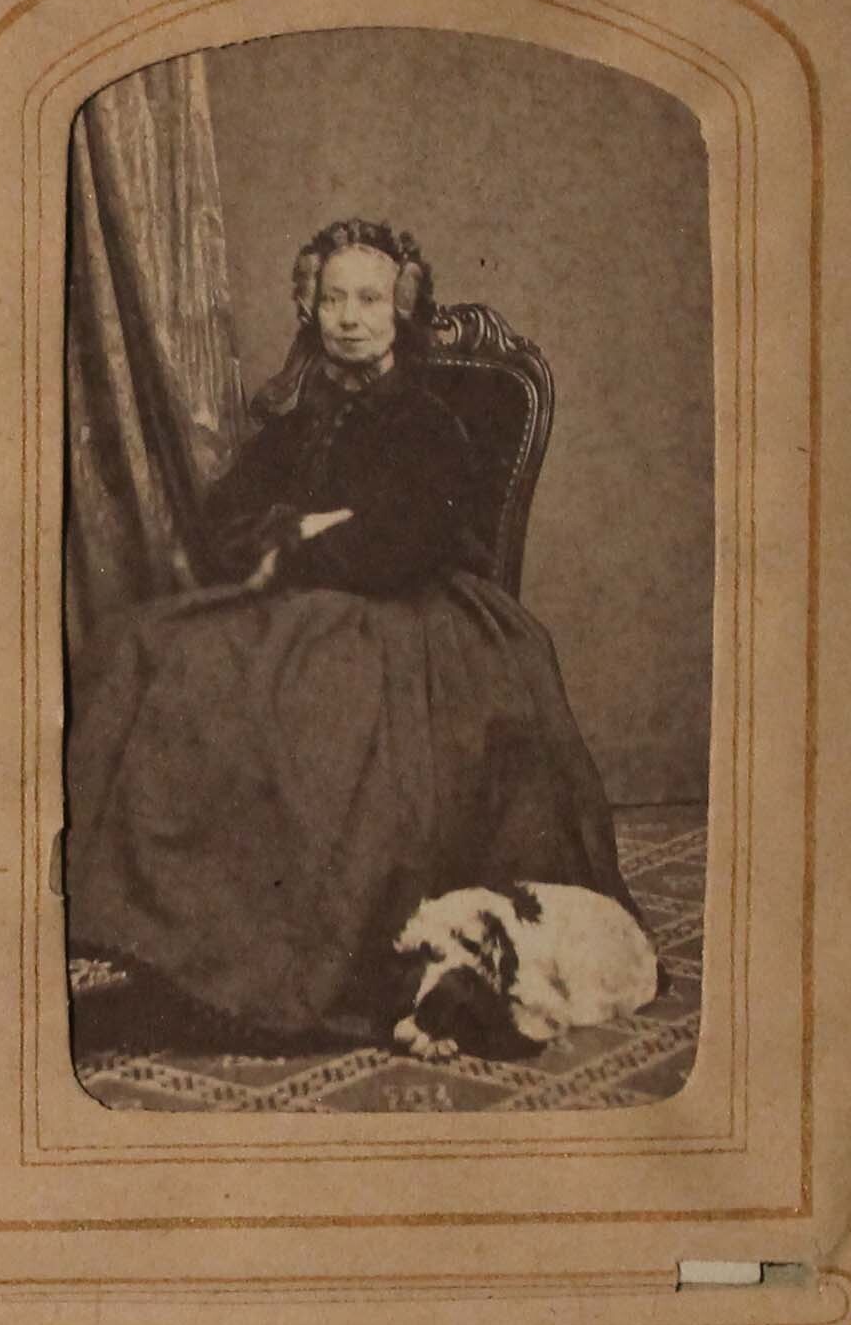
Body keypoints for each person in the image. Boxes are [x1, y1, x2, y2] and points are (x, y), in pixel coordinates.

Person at [66, 217, 633, 1054]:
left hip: (415, 624)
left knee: (303, 701)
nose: (350, 317)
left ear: (400, 310)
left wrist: (306, 538)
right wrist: (301, 527)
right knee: (144, 646)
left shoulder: (430, 421)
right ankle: (186, 933)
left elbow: (403, 544)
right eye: (333, 299)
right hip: (307, 602)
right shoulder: (301, 417)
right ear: (310, 306)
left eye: (369, 299)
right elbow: (228, 517)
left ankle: (287, 955)